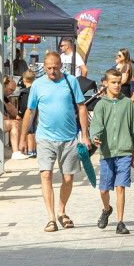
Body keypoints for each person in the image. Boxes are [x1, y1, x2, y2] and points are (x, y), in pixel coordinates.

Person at [22, 49, 91, 233]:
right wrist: (23, 137)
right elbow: (30, 112)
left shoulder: (71, 81)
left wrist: (84, 135)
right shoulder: (37, 85)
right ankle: (51, 218)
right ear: (43, 67)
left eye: (55, 67)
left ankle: (61, 210)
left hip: (69, 138)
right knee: (46, 175)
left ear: (61, 66)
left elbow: (82, 108)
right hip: (45, 138)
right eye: (49, 68)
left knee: (68, 178)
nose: (52, 71)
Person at [90, 69, 134, 234]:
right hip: (107, 153)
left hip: (124, 152)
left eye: (119, 82)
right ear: (105, 83)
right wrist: (95, 137)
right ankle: (106, 209)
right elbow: (96, 125)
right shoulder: (101, 105)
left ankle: (120, 223)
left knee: (120, 187)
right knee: (104, 189)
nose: (117, 85)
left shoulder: (127, 103)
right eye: (113, 82)